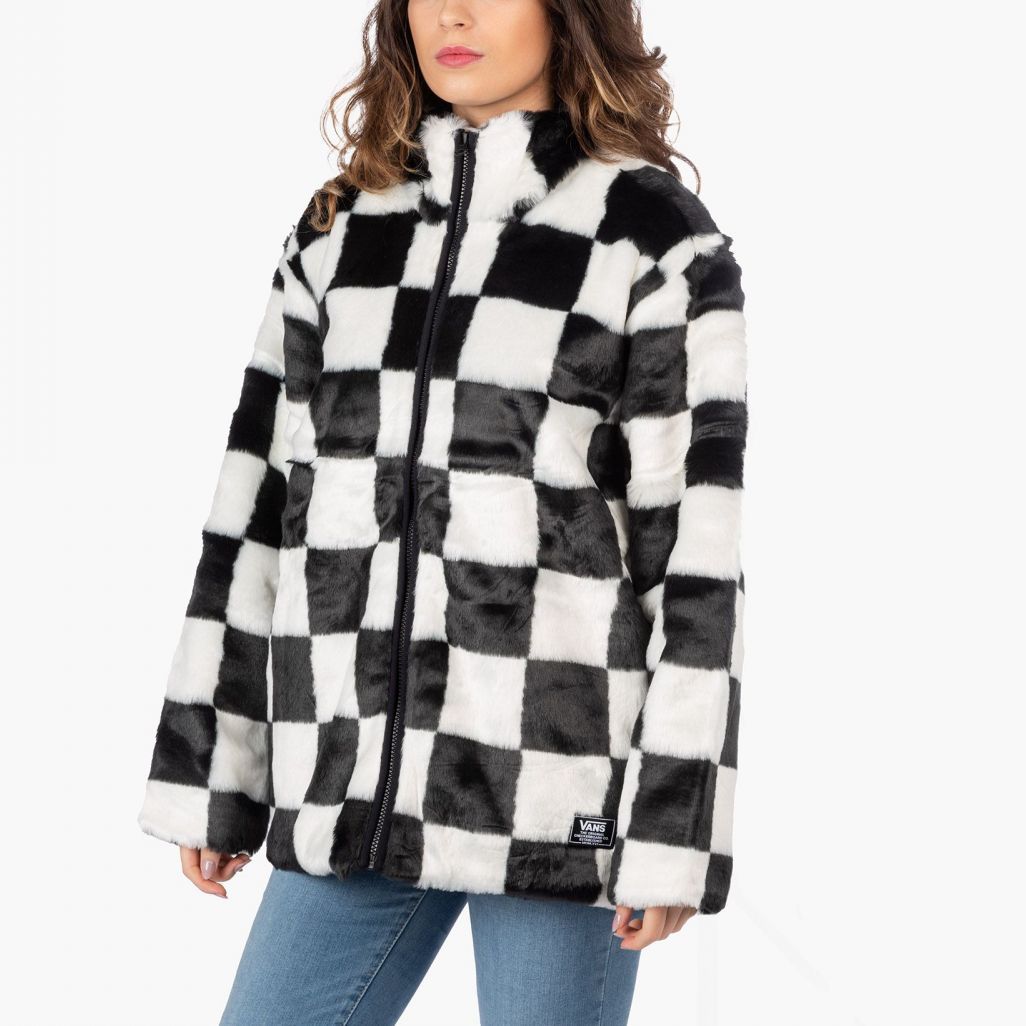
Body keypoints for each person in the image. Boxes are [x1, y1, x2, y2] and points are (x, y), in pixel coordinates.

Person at [136, 1, 748, 1023]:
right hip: (352, 781)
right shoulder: (341, 230)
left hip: (557, 791)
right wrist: (216, 770)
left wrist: (672, 827)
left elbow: (695, 560)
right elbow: (257, 511)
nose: (452, 14)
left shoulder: (650, 239)